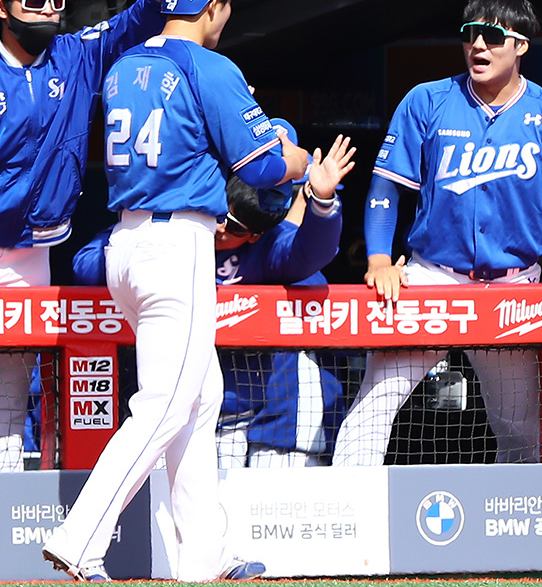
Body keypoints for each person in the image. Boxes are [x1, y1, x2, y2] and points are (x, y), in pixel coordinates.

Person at [41, 0, 306, 582]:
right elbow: (263, 167)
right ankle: (80, 538)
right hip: (177, 243)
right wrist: (295, 160)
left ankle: (205, 554)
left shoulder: (125, 64)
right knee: (165, 403)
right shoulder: (208, 65)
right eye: (226, 5)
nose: (227, 15)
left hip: (127, 241)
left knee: (200, 396)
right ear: (212, 5)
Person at [332, 0, 542, 468]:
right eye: (470, 33)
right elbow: (386, 187)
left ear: (521, 45)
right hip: (433, 276)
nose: (478, 45)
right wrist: (378, 259)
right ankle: (349, 509)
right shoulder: (428, 100)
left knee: (521, 429)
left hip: (512, 288)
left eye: (492, 36)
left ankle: (515, 517)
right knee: (376, 405)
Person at [0, 0, 191, 473]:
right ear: (3, 6)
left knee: (10, 397)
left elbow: (129, 26)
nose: (48, 9)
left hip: (32, 251)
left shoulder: (72, 56)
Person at [71, 121, 356, 468]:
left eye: (233, 226)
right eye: (218, 212)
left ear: (255, 233)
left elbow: (308, 256)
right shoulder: (175, 224)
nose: (220, 227)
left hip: (237, 412)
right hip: (168, 407)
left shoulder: (269, 244)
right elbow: (85, 266)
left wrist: (322, 202)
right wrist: (151, 259)